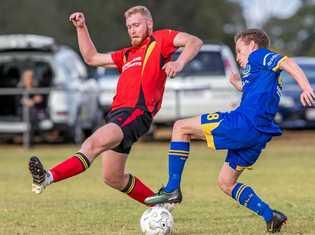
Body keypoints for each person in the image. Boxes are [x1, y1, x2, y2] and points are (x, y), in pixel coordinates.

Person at [28, 5, 203, 207]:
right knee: (113, 177)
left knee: (93, 144)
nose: (132, 30)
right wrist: (81, 28)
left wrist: (179, 63)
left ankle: (47, 177)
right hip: (117, 116)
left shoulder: (160, 40)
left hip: (136, 113)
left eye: (136, 25)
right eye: (129, 26)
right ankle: (160, 206)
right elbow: (91, 58)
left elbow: (194, 41)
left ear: (149, 24)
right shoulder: (126, 54)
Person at [144, 28, 315, 232]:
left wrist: (306, 87)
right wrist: (238, 85)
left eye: (239, 51)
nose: (238, 57)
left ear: (252, 46)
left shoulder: (259, 55)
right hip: (259, 135)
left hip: (243, 123)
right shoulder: (262, 72)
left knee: (180, 127)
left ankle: (172, 188)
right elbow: (255, 90)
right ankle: (271, 216)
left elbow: (287, 62)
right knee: (226, 182)